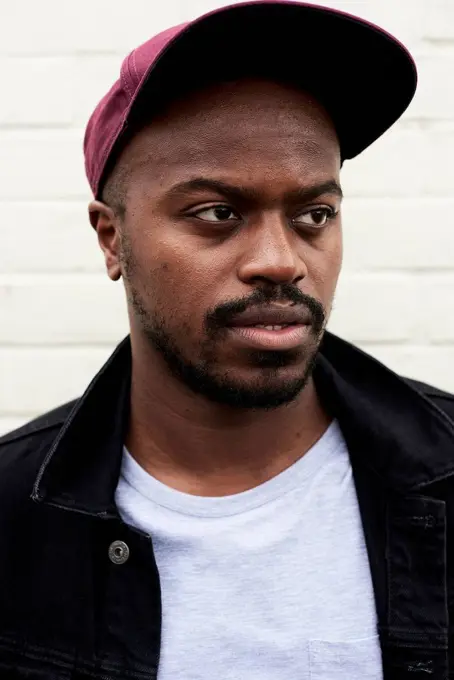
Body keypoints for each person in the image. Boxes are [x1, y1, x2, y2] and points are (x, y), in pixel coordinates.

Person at [1, 1, 453, 678]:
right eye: (217, 213)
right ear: (112, 237)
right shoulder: (13, 520)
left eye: (314, 214)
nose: (281, 261)